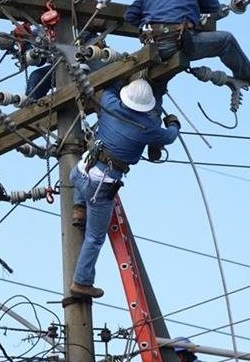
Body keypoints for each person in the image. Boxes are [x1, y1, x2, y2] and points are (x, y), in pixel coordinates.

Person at [69, 78, 181, 298]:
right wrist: (174, 122)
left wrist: (123, 78)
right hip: (99, 187)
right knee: (95, 237)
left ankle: (78, 208)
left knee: (84, 181)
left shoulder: (109, 104)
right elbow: (170, 136)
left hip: (78, 173)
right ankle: (81, 282)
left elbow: (111, 85)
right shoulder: (147, 128)